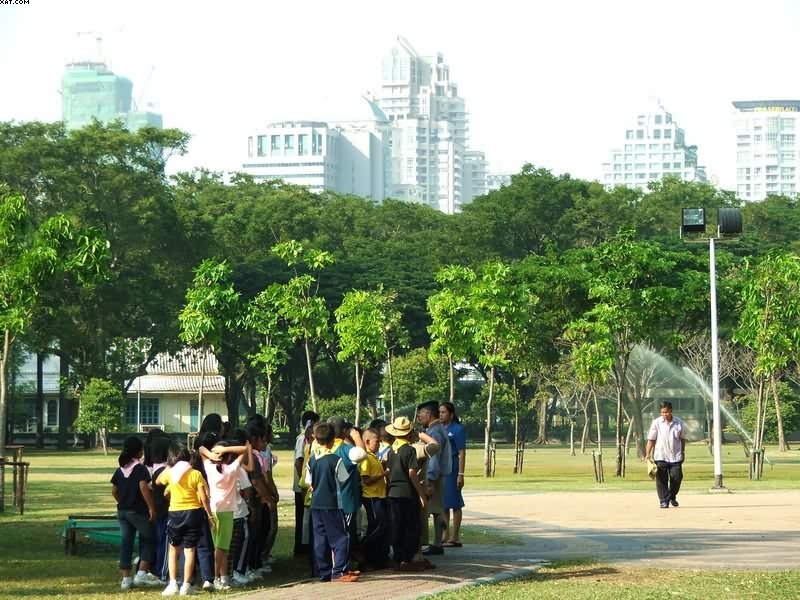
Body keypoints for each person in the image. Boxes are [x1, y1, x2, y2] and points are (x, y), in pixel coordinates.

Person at [306, 422, 365, 582]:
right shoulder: (336, 460)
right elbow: (343, 479)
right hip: (332, 503)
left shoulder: (311, 460)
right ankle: (340, 571)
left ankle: (323, 571)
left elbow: (309, 483)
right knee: (341, 537)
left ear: (316, 440)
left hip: (316, 504)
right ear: (333, 440)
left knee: (320, 538)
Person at [156, 442, 215, 597]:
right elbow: (203, 498)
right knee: (190, 550)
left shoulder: (170, 474)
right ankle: (186, 585)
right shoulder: (195, 473)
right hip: (193, 513)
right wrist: (209, 515)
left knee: (173, 549)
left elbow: (157, 482)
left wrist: (168, 467)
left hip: (175, 513)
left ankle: (173, 583)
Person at [111, 436, 162, 590]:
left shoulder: (120, 469)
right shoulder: (140, 469)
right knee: (149, 539)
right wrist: (151, 507)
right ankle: (141, 574)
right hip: (138, 511)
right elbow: (143, 487)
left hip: (123, 511)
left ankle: (126, 579)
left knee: (126, 543)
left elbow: (114, 491)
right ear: (140, 451)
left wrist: (122, 501)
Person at [203, 440, 252, 591]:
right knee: (221, 548)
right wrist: (226, 449)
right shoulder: (231, 469)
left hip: (213, 509)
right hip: (226, 512)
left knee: (219, 547)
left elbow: (200, 449)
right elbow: (245, 449)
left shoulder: (209, 467)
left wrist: (213, 453)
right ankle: (216, 578)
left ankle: (222, 577)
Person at [384, 416, 427, 571]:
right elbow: (412, 473)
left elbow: (388, 472)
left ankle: (397, 557)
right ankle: (407, 559)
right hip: (407, 493)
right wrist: (421, 494)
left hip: (392, 493)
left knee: (396, 525)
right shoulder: (409, 450)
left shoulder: (391, 451)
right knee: (411, 526)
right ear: (410, 433)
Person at [416, 401, 451, 556]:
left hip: (434, 477)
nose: (418, 417)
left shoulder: (434, 432)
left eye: (421, 414)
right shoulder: (436, 429)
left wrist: (429, 480)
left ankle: (437, 543)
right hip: (438, 476)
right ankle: (436, 542)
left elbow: (433, 459)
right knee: (436, 509)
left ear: (429, 414)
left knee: (435, 509)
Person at [645, 401, 687, 509]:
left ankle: (671, 496)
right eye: (662, 413)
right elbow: (651, 439)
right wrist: (647, 454)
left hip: (675, 456)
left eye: (666, 412)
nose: (664, 415)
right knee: (661, 480)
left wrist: (683, 452)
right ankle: (664, 501)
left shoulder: (679, 422)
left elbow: (682, 439)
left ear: (671, 411)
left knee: (677, 478)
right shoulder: (656, 423)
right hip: (660, 456)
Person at [359, 428, 388, 569]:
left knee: (380, 526)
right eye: (377, 441)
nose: (379, 443)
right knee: (377, 527)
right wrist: (384, 474)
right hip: (371, 496)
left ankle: (377, 557)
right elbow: (366, 480)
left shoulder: (374, 456)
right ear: (367, 441)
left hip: (380, 495)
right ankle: (363, 552)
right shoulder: (365, 458)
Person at [439, 402, 466, 547]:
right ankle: (445, 533)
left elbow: (462, 452)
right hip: (442, 469)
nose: (441, 414)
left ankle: (455, 536)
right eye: (440, 412)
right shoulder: (440, 428)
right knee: (443, 503)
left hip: (453, 469)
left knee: (455, 503)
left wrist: (460, 474)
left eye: (443, 412)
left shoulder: (457, 429)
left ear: (451, 414)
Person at [294, 411, 319, 555]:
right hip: (302, 486)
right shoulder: (302, 439)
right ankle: (301, 547)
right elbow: (299, 461)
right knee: (302, 517)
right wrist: (303, 482)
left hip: (306, 485)